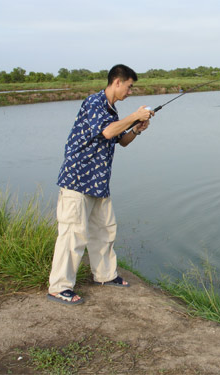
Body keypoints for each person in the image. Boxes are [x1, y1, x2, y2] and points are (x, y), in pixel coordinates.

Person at [47, 64, 153, 305]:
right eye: (129, 87)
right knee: (72, 235)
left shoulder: (112, 111)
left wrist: (136, 129)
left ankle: (105, 275)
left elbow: (120, 140)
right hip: (78, 180)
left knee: (105, 230)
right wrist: (135, 115)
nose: (130, 92)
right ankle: (59, 287)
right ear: (117, 82)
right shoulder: (94, 103)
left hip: (98, 182)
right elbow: (107, 133)